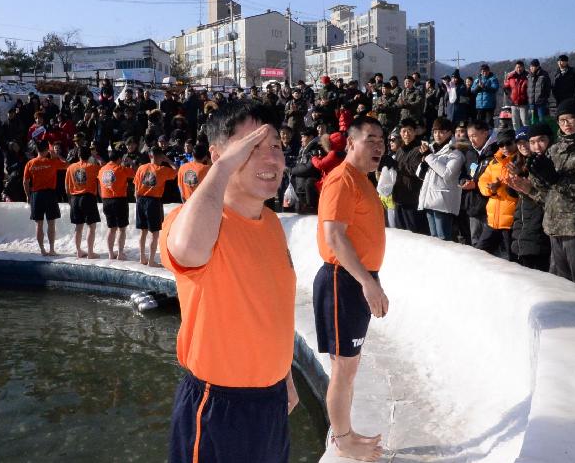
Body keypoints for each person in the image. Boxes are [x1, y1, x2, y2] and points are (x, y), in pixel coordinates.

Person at [159, 100, 298, 463]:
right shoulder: (189, 219)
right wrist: (220, 170)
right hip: (216, 405)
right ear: (219, 154)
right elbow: (188, 250)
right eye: (252, 147)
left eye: (276, 146)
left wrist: (285, 375)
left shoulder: (270, 224)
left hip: (270, 402)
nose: (271, 159)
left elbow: (269, 309)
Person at [313, 115, 387, 461]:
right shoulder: (342, 179)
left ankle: (346, 433)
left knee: (349, 366)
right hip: (343, 280)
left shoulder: (363, 179)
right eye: (370, 139)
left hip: (353, 279)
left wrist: (370, 280)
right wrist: (367, 282)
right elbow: (335, 237)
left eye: (381, 140)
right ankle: (343, 440)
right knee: (343, 368)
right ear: (351, 142)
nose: (379, 145)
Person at [528, 99, 575, 293]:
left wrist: (556, 179)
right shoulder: (554, 149)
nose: (567, 124)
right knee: (561, 284)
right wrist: (537, 175)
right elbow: (545, 191)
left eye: (572, 118)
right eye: (562, 120)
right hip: (553, 225)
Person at [506, 124, 552, 271]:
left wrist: (525, 184)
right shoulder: (517, 162)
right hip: (522, 222)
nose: (523, 146)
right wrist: (514, 181)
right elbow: (515, 194)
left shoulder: (543, 162)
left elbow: (544, 194)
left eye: (526, 142)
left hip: (539, 225)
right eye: (519, 143)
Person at [417, 117, 465, 241]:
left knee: (443, 238)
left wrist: (429, 157)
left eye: (441, 132)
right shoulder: (431, 149)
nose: (437, 135)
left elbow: (447, 175)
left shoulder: (455, 152)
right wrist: (423, 165)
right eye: (435, 132)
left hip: (443, 201)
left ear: (450, 132)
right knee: (433, 238)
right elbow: (419, 175)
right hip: (428, 198)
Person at [476, 128, 519, 260]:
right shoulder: (494, 161)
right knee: (478, 254)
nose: (505, 147)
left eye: (508, 143)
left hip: (511, 221)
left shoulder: (520, 159)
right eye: (501, 144)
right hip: (493, 219)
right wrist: (491, 189)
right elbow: (482, 180)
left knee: (513, 260)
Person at [23, 141, 68, 256]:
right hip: (50, 194)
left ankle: (42, 250)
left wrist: (28, 195)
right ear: (46, 150)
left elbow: (25, 182)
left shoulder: (30, 163)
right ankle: (52, 249)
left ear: (36, 150)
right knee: (51, 223)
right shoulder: (52, 162)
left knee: (39, 224)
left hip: (36, 195)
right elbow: (67, 164)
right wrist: (56, 155)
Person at [133, 146, 177, 266]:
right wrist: (168, 161)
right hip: (153, 201)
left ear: (150, 155)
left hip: (141, 200)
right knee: (154, 232)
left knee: (143, 231)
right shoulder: (162, 169)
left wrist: (138, 199)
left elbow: (136, 188)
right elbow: (176, 171)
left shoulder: (141, 168)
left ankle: (142, 257)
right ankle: (151, 261)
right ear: (160, 157)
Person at [460, 120, 496, 246]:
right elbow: (465, 173)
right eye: (469, 137)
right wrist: (463, 181)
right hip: (473, 205)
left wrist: (476, 184)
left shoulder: (496, 151)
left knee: (489, 246)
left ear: (485, 133)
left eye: (474, 136)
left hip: (489, 206)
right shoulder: (470, 152)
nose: (471, 140)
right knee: (475, 244)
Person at [98, 146, 135, 260]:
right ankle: (120, 253)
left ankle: (110, 253)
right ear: (119, 159)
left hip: (106, 200)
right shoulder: (121, 169)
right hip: (119, 200)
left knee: (111, 228)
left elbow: (99, 185)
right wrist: (131, 163)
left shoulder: (102, 169)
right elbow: (134, 174)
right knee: (122, 229)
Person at [392, 118, 429, 234]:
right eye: (404, 131)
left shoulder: (419, 149)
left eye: (409, 131)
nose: (406, 134)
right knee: (400, 233)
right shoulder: (399, 150)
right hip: (399, 197)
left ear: (415, 132)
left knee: (414, 233)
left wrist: (397, 166)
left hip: (413, 198)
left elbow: (416, 170)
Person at [65, 145, 101, 259]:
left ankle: (78, 251)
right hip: (88, 197)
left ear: (78, 155)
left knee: (78, 227)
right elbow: (103, 171)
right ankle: (90, 252)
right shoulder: (93, 167)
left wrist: (70, 199)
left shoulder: (70, 168)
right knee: (91, 226)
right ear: (89, 155)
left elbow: (66, 187)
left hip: (75, 198)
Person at [504, 61, 529, 130]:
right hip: (513, 103)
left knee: (525, 121)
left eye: (520, 67)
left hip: (524, 103)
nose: (519, 69)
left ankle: (526, 137)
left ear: (523, 67)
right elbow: (506, 88)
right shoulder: (511, 77)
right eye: (517, 67)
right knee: (515, 122)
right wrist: (510, 96)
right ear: (515, 68)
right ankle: (517, 136)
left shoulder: (528, 76)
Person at [527, 59, 552, 124]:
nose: (531, 68)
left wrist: (544, 98)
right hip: (532, 103)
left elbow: (548, 87)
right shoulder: (529, 76)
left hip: (541, 103)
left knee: (542, 120)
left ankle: (543, 133)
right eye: (531, 66)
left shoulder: (544, 75)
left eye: (533, 66)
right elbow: (528, 89)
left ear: (537, 66)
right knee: (533, 121)